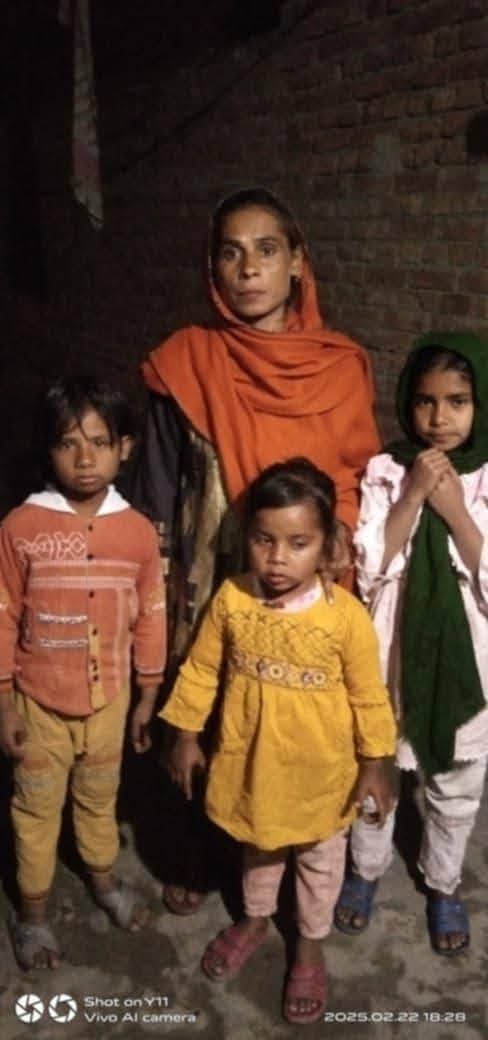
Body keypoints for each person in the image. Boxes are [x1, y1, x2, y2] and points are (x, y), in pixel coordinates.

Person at [131, 186, 381, 913]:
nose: (248, 269)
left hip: (306, 575)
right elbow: (155, 487)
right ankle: (201, 853)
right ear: (212, 267)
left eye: (266, 250)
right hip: (208, 575)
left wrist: (336, 546)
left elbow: (355, 474)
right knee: (205, 707)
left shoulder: (340, 365)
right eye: (230, 253)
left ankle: (302, 853)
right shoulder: (186, 361)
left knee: (292, 721)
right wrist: (152, 586)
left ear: (297, 261)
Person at [161, 458, 396, 1024]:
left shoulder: (345, 619)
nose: (277, 558)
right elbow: (201, 671)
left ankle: (310, 945)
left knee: (319, 865)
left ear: (327, 545)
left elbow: (370, 697)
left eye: (298, 543)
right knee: (259, 851)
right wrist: (186, 735)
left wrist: (376, 762)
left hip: (322, 777)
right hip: (254, 768)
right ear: (247, 536)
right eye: (264, 540)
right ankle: (254, 918)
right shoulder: (232, 600)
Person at [0, 376, 166, 970]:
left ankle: (102, 879)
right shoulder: (21, 527)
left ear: (125, 448)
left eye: (99, 442)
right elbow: (3, 612)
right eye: (68, 443)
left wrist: (147, 695)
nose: (85, 458)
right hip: (38, 703)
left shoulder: (138, 532)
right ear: (48, 451)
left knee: (99, 799)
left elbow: (151, 614)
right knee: (36, 808)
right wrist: (4, 702)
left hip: (109, 703)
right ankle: (32, 914)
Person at [334, 332, 488, 957]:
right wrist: (416, 494)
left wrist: (455, 510)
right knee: (378, 763)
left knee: (454, 780)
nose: (439, 418)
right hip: (391, 648)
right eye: (426, 401)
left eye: (458, 402)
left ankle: (443, 882)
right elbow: (370, 565)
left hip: (467, 656)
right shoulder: (389, 470)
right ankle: (366, 868)